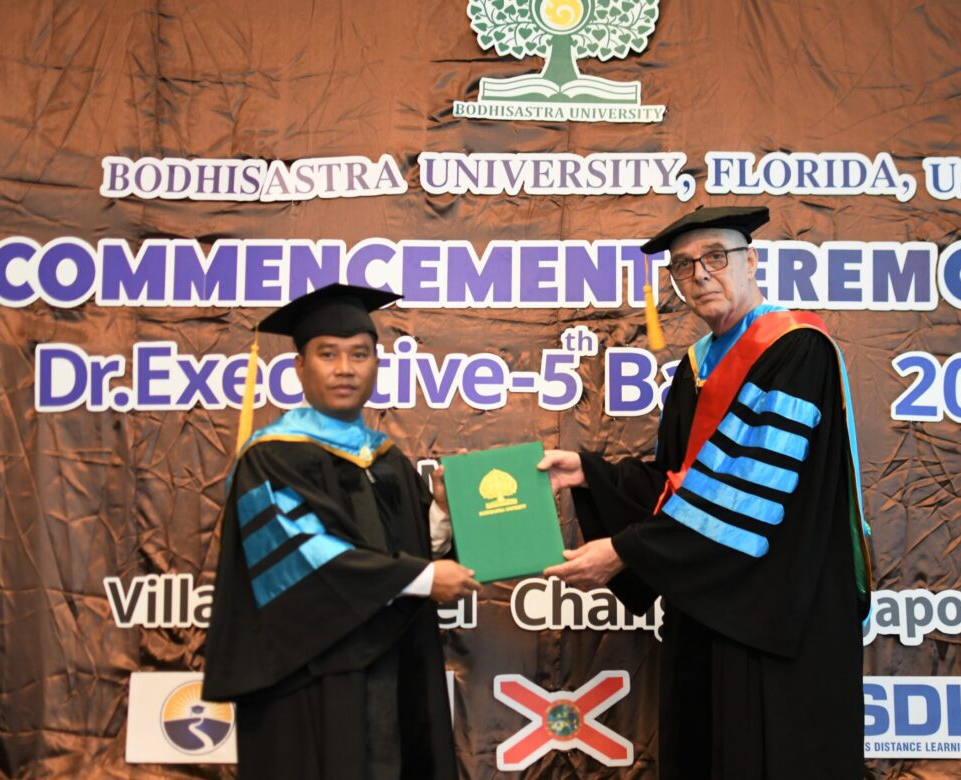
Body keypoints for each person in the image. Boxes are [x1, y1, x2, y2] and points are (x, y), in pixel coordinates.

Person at [539, 206, 872, 779]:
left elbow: (749, 491)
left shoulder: (797, 351)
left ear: (752, 260)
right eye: (683, 266)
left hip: (779, 615)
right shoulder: (694, 370)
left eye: (715, 257)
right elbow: (680, 484)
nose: (699, 275)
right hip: (706, 609)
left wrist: (626, 551)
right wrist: (590, 474)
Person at [202, 283, 479, 780]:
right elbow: (301, 559)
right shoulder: (270, 457)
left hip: (395, 671)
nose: (345, 368)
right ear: (299, 367)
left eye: (359, 354)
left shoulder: (387, 458)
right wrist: (419, 578)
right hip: (310, 677)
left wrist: (440, 512)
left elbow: (412, 551)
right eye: (328, 354)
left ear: (377, 364)